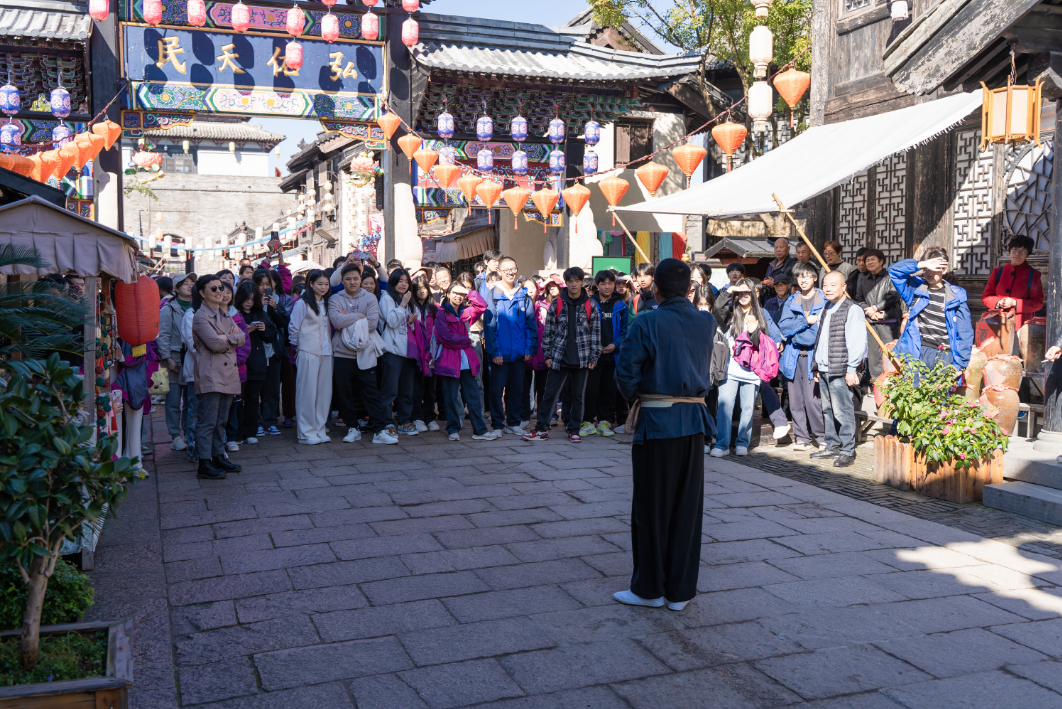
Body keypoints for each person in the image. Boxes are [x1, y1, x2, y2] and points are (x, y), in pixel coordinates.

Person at [614, 258, 715, 612]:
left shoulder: (647, 321)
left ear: (654, 287)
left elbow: (625, 374)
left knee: (651, 507)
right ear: (689, 288)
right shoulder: (706, 321)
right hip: (693, 422)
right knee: (687, 509)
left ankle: (649, 588)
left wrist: (639, 398)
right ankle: (680, 590)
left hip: (657, 421)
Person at [523, 267, 601, 442]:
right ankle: (541, 429)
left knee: (578, 396)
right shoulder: (557, 303)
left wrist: (594, 357)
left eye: (577, 281)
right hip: (559, 357)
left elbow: (596, 333)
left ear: (582, 282)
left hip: (582, 358)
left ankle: (574, 430)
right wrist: (548, 355)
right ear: (566, 283)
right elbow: (548, 332)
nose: (574, 284)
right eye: (570, 281)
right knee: (550, 394)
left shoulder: (590, 304)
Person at [328, 264, 397, 445]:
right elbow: (336, 321)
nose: (352, 282)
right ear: (341, 281)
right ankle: (352, 428)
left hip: (366, 351)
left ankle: (379, 430)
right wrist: (360, 316)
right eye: (348, 279)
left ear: (361, 279)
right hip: (342, 353)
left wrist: (348, 318)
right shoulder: (335, 299)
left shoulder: (370, 298)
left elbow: (373, 324)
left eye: (356, 278)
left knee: (371, 392)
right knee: (345, 393)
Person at [710, 278, 779, 457]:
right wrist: (728, 290)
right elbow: (717, 310)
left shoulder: (760, 313)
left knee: (748, 408)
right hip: (730, 367)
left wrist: (754, 331)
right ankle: (722, 444)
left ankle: (742, 442)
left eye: (747, 292)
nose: (743, 296)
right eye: (739, 293)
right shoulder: (731, 312)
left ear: (754, 294)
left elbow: (762, 345)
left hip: (752, 370)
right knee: (725, 405)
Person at [811, 271, 867, 468]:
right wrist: (816, 366)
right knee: (827, 409)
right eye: (825, 285)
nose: (828, 288)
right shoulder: (826, 306)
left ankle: (847, 450)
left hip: (840, 368)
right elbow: (820, 339)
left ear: (844, 287)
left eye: (833, 285)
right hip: (824, 368)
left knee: (843, 410)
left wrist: (851, 369)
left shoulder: (852, 309)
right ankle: (832, 444)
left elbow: (857, 342)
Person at [191, 275, 245, 480]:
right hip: (210, 374)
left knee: (221, 419)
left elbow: (242, 337)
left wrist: (226, 338)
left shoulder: (225, 314)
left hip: (227, 374)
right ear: (202, 293)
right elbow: (214, 344)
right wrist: (229, 338)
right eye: (213, 288)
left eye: (220, 287)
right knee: (207, 420)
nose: (218, 291)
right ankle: (204, 462)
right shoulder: (200, 316)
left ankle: (217, 455)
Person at [434, 282, 501, 442]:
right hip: (449, 361)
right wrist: (466, 340)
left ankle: (480, 430)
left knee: (473, 396)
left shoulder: (466, 311)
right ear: (448, 294)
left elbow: (482, 305)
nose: (458, 296)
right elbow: (445, 337)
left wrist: (468, 291)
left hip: (467, 361)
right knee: (450, 397)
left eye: (461, 294)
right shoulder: (441, 313)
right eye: (455, 292)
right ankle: (452, 429)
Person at [890, 248, 973, 370]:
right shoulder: (915, 290)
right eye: (926, 270)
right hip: (918, 352)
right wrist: (922, 264)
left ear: (944, 269)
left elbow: (965, 332)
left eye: (933, 269)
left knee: (940, 389)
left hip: (945, 355)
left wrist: (960, 365)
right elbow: (894, 271)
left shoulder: (956, 296)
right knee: (912, 388)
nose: (928, 273)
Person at [481, 256, 537, 435]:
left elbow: (530, 324)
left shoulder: (523, 295)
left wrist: (530, 348)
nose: (511, 273)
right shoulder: (493, 295)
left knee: (516, 390)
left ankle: (513, 423)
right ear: (499, 272)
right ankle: (498, 424)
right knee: (496, 391)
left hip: (519, 353)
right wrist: (494, 351)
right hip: (500, 353)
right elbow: (489, 327)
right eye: (507, 270)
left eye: (513, 269)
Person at [778, 262, 827, 452]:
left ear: (815, 277)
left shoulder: (824, 300)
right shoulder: (791, 301)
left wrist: (796, 331)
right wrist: (805, 322)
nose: (803, 279)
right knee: (796, 399)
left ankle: (821, 436)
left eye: (807, 275)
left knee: (814, 399)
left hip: (815, 356)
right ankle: (801, 437)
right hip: (793, 355)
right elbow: (784, 328)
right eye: (800, 276)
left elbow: (818, 333)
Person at [289, 270, 333, 445]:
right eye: (319, 283)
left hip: (327, 351)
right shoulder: (302, 303)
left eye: (326, 284)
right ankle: (306, 432)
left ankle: (320, 429)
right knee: (307, 393)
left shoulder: (328, 303)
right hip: (307, 350)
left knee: (324, 393)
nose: (323, 287)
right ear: (311, 283)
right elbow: (293, 328)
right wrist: (296, 350)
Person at [582, 270, 627, 437]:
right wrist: (594, 346)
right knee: (590, 389)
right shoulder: (589, 304)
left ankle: (604, 421)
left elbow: (625, 331)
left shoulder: (621, 306)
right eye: (603, 284)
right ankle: (587, 421)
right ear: (597, 285)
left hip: (612, 357)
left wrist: (615, 345)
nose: (607, 287)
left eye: (610, 283)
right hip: (593, 357)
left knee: (609, 390)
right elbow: (583, 329)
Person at [379, 268, 420, 437]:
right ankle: (387, 422)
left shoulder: (409, 300)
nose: (403, 284)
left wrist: (410, 320)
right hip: (392, 351)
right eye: (400, 280)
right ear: (393, 281)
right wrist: (403, 304)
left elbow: (408, 324)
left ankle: (404, 420)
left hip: (407, 351)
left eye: (406, 281)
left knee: (406, 390)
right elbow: (392, 321)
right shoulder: (387, 298)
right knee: (389, 390)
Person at [234, 281, 275, 446]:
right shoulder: (234, 314)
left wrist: (264, 330)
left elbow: (272, 335)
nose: (248, 302)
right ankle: (237, 433)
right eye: (245, 298)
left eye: (252, 299)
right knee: (237, 399)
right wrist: (244, 333)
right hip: (239, 364)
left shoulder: (260, 313)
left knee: (252, 399)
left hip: (257, 362)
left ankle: (251, 431)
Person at [159, 272, 197, 452]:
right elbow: (163, 336)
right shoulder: (168, 308)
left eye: (192, 283)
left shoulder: (198, 306)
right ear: (176, 288)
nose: (190, 286)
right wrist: (167, 359)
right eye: (185, 283)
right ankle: (175, 436)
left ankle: (188, 431)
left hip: (191, 358)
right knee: (173, 400)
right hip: (174, 358)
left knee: (190, 399)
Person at [981, 235, 1044, 335]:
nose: (1017, 254)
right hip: (996, 324)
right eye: (1014, 250)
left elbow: (1038, 303)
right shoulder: (998, 271)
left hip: (1021, 327)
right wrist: (998, 302)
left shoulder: (1033, 275)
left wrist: (1015, 303)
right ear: (1009, 251)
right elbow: (986, 296)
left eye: (1022, 251)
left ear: (1027, 254)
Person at [856, 249, 902, 379]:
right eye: (867, 260)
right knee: (874, 356)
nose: (869, 262)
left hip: (889, 323)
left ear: (881, 261)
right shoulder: (864, 281)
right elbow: (859, 299)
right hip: (872, 323)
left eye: (872, 259)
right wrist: (869, 311)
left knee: (890, 354)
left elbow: (893, 295)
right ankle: (877, 385)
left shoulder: (890, 277)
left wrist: (876, 307)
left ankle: (892, 383)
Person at [252, 270, 284, 436]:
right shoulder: (249, 301)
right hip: (256, 352)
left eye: (267, 284)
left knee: (272, 389)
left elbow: (283, 322)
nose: (265, 287)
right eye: (261, 284)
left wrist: (274, 308)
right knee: (255, 390)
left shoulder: (276, 300)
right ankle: (256, 423)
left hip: (273, 350)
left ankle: (270, 421)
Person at [409, 276, 440, 431]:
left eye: (424, 288)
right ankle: (417, 417)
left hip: (432, 353)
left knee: (430, 387)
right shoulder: (409, 306)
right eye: (418, 288)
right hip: (416, 352)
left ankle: (430, 416)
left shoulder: (435, 308)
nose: (422, 291)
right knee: (416, 386)